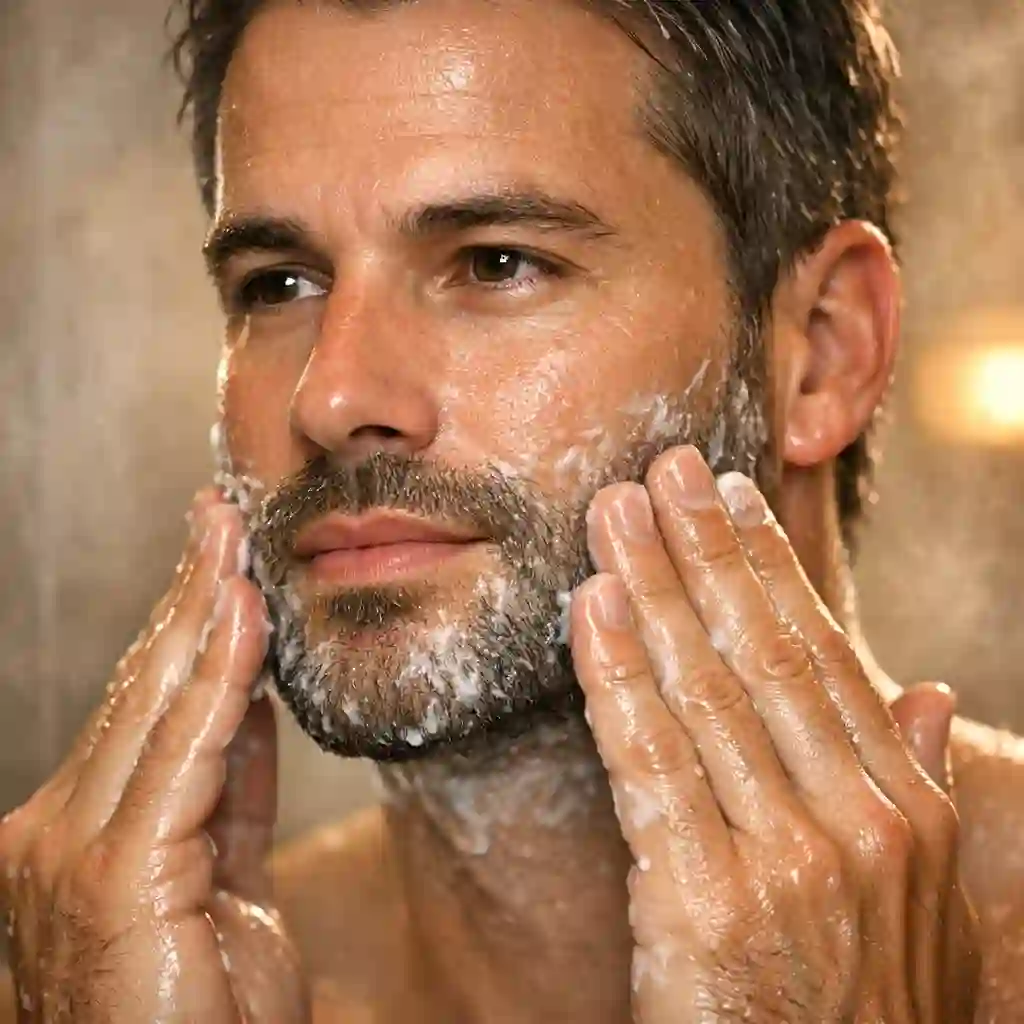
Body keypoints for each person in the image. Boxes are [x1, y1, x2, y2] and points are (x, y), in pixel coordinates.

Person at [2, 0, 1022, 1019]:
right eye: (278, 284)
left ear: (822, 354)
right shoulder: (111, 984)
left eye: (495, 263)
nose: (332, 396)